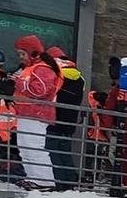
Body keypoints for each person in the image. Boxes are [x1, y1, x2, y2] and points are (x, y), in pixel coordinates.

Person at [6, 35, 62, 188]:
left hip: (37, 114)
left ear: (32, 52)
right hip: (27, 112)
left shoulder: (43, 68)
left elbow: (40, 90)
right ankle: (34, 177)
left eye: (23, 54)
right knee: (25, 146)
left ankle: (44, 180)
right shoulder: (33, 68)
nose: (21, 57)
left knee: (33, 145)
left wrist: (17, 83)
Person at [47, 48, 84, 188]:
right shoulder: (78, 76)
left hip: (54, 118)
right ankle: (70, 180)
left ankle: (60, 181)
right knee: (64, 151)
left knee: (52, 151)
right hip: (70, 121)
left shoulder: (56, 74)